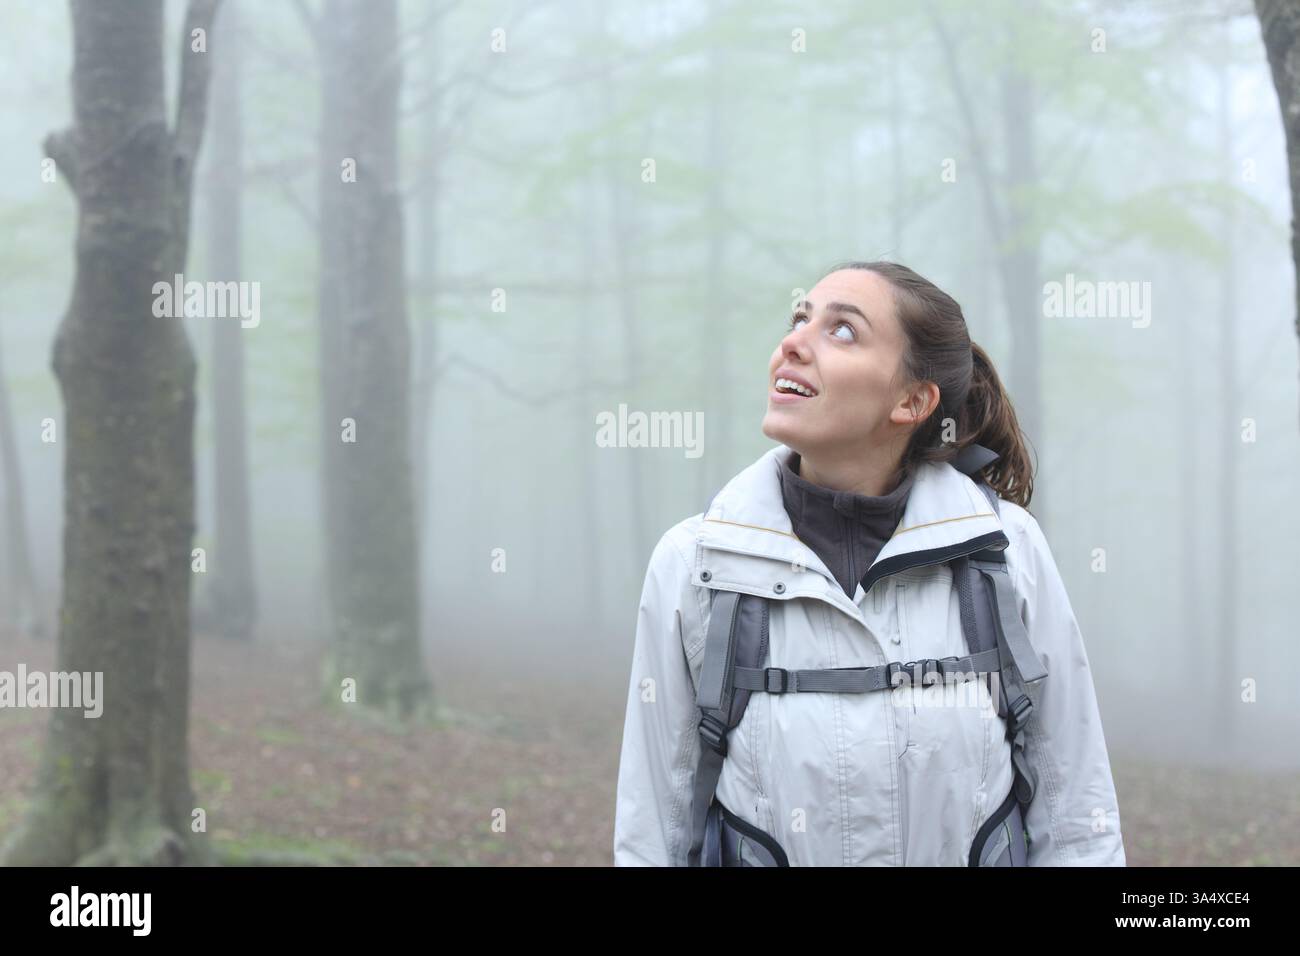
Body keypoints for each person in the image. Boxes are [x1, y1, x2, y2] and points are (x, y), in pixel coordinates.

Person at [612, 260, 1126, 866]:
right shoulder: (697, 564)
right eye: (799, 319)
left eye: (843, 331)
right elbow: (655, 830)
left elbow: (1077, 821)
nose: (792, 343)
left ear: (912, 401)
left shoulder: (1005, 551)